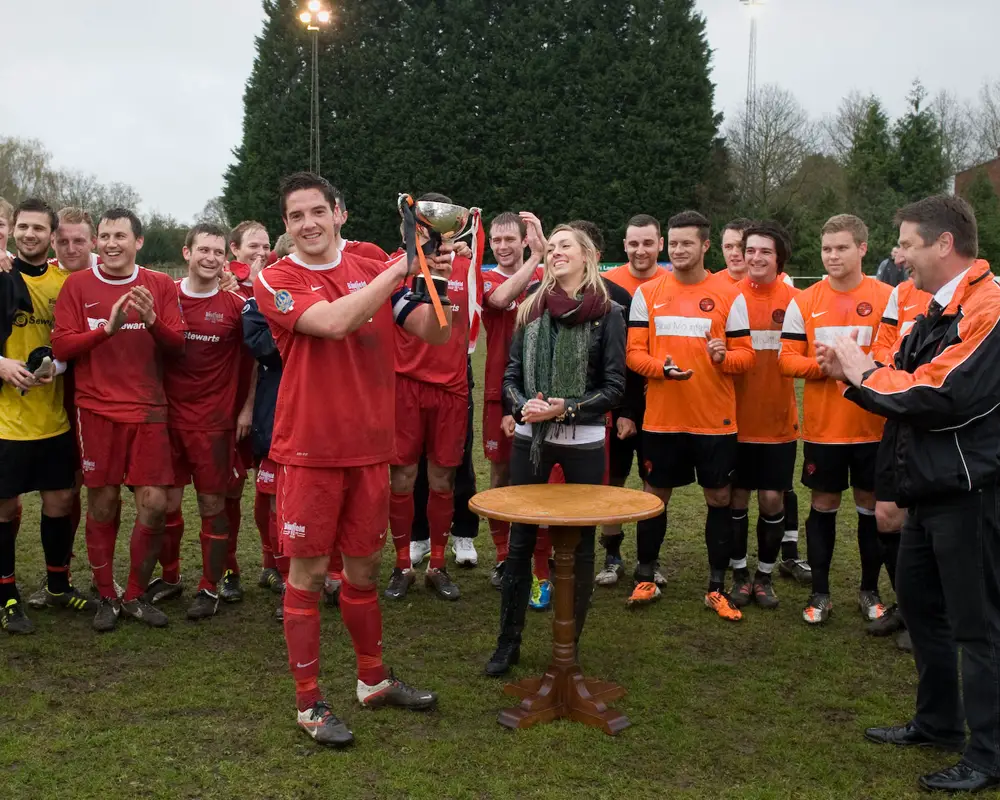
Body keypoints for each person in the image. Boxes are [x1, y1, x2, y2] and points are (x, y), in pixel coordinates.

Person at [255, 172, 443, 747]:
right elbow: (334, 324)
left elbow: (434, 331)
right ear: (286, 226)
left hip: (369, 448)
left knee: (362, 570)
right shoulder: (275, 276)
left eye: (317, 211)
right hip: (309, 449)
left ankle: (372, 680)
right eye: (295, 217)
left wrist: (438, 271)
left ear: (340, 212)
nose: (308, 224)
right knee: (309, 574)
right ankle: (309, 704)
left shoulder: (367, 260)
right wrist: (400, 267)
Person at [821, 195, 1000, 795]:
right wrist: (858, 368)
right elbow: (899, 373)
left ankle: (991, 752)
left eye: (907, 244)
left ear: (943, 244)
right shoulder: (936, 307)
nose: (899, 256)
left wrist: (862, 373)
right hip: (928, 489)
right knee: (922, 607)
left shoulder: (990, 307)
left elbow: (943, 393)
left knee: (979, 627)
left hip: (971, 492)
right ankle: (939, 722)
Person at [486, 224, 625, 676]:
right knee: (521, 541)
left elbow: (614, 388)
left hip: (584, 441)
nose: (557, 252)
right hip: (532, 440)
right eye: (553, 246)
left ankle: (570, 643)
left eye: (567, 245)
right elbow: (509, 377)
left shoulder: (609, 313)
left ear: (587, 256)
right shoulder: (530, 309)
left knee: (581, 544)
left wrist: (565, 410)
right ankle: (508, 642)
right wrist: (523, 404)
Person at [52, 208, 187, 632]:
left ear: (138, 242)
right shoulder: (78, 286)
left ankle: (133, 593)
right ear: (96, 241)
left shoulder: (159, 284)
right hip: (96, 411)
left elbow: (178, 346)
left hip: (149, 411)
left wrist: (150, 321)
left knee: (155, 505)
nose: (111, 244)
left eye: (120, 236)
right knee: (104, 502)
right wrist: (106, 330)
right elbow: (62, 346)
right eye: (105, 236)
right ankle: (106, 595)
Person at [626, 210, 754, 621]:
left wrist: (724, 358)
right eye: (674, 242)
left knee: (718, 498)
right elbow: (633, 354)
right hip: (662, 419)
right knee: (654, 498)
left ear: (705, 246)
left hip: (714, 420)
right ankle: (645, 576)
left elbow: (746, 356)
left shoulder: (730, 295)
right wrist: (659, 369)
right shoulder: (648, 294)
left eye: (687, 243)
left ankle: (716, 587)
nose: (679, 250)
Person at [778, 214, 892, 626]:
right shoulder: (804, 301)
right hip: (824, 431)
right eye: (827, 249)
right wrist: (822, 368)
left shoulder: (886, 296)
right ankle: (820, 593)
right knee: (823, 505)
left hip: (873, 427)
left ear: (863, 248)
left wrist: (853, 368)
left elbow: (891, 356)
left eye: (842, 247)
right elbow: (786, 359)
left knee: (872, 509)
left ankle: (869, 591)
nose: (833, 256)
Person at [154, 224, 251, 620]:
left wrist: (246, 409)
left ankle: (209, 586)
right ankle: (171, 576)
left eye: (217, 252)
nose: (210, 258)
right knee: (164, 505)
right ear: (186, 253)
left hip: (215, 423)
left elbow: (253, 364)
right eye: (203, 250)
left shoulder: (235, 306)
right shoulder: (167, 297)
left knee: (213, 505)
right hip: (166, 420)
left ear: (224, 258)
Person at [0, 199, 84, 633]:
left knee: (60, 502)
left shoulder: (65, 282)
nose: (30, 234)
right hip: (5, 421)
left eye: (39, 228)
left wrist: (57, 363)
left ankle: (57, 585)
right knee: (4, 508)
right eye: (23, 226)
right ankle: (8, 596)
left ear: (51, 235)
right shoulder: (1, 273)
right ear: (14, 229)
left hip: (52, 418)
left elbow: (72, 340)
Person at [385, 193, 474, 602]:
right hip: (404, 385)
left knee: (444, 479)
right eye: (422, 221)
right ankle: (403, 564)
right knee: (401, 477)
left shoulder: (470, 265)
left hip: (451, 389)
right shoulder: (396, 266)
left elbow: (506, 294)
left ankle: (437, 565)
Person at [728, 221, 800, 610]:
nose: (755, 257)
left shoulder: (796, 300)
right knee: (736, 498)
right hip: (733, 422)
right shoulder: (728, 297)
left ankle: (765, 576)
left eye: (765, 252)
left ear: (779, 258)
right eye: (750, 250)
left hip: (777, 422)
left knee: (773, 498)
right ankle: (739, 574)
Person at [866, 250, 932, 650]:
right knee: (887, 516)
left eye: (908, 245)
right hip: (899, 417)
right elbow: (884, 345)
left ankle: (927, 614)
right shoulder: (902, 293)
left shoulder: (977, 297)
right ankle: (907, 606)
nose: (899, 255)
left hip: (941, 422)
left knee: (933, 524)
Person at [596, 214, 667, 587]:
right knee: (613, 480)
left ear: (660, 245)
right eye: (633, 243)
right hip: (617, 402)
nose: (641, 250)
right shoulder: (609, 286)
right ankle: (611, 556)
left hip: (660, 402)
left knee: (654, 482)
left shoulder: (672, 285)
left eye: (648, 243)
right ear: (624, 246)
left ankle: (649, 560)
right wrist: (621, 409)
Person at [479, 211, 544, 587]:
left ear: (523, 240)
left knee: (541, 473)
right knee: (502, 474)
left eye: (510, 240)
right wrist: (537, 257)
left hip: (543, 389)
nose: (502, 247)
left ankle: (540, 554)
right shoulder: (488, 278)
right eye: (496, 241)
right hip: (499, 391)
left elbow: (574, 270)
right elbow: (502, 299)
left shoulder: (544, 273)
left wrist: (544, 244)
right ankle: (504, 556)